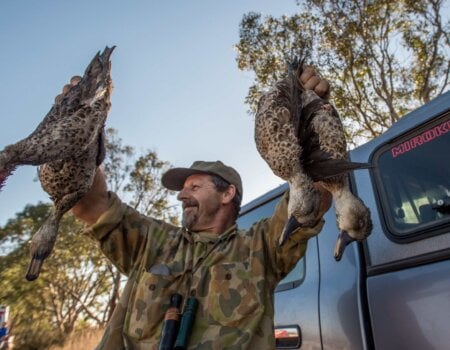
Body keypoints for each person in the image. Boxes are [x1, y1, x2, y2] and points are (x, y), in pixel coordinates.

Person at [67, 67, 332, 349]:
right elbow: (88, 203)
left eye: (194, 187)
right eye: (183, 189)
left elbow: (312, 199)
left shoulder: (261, 247)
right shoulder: (151, 242)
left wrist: (317, 119)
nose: (181, 195)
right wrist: (81, 128)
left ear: (227, 193)